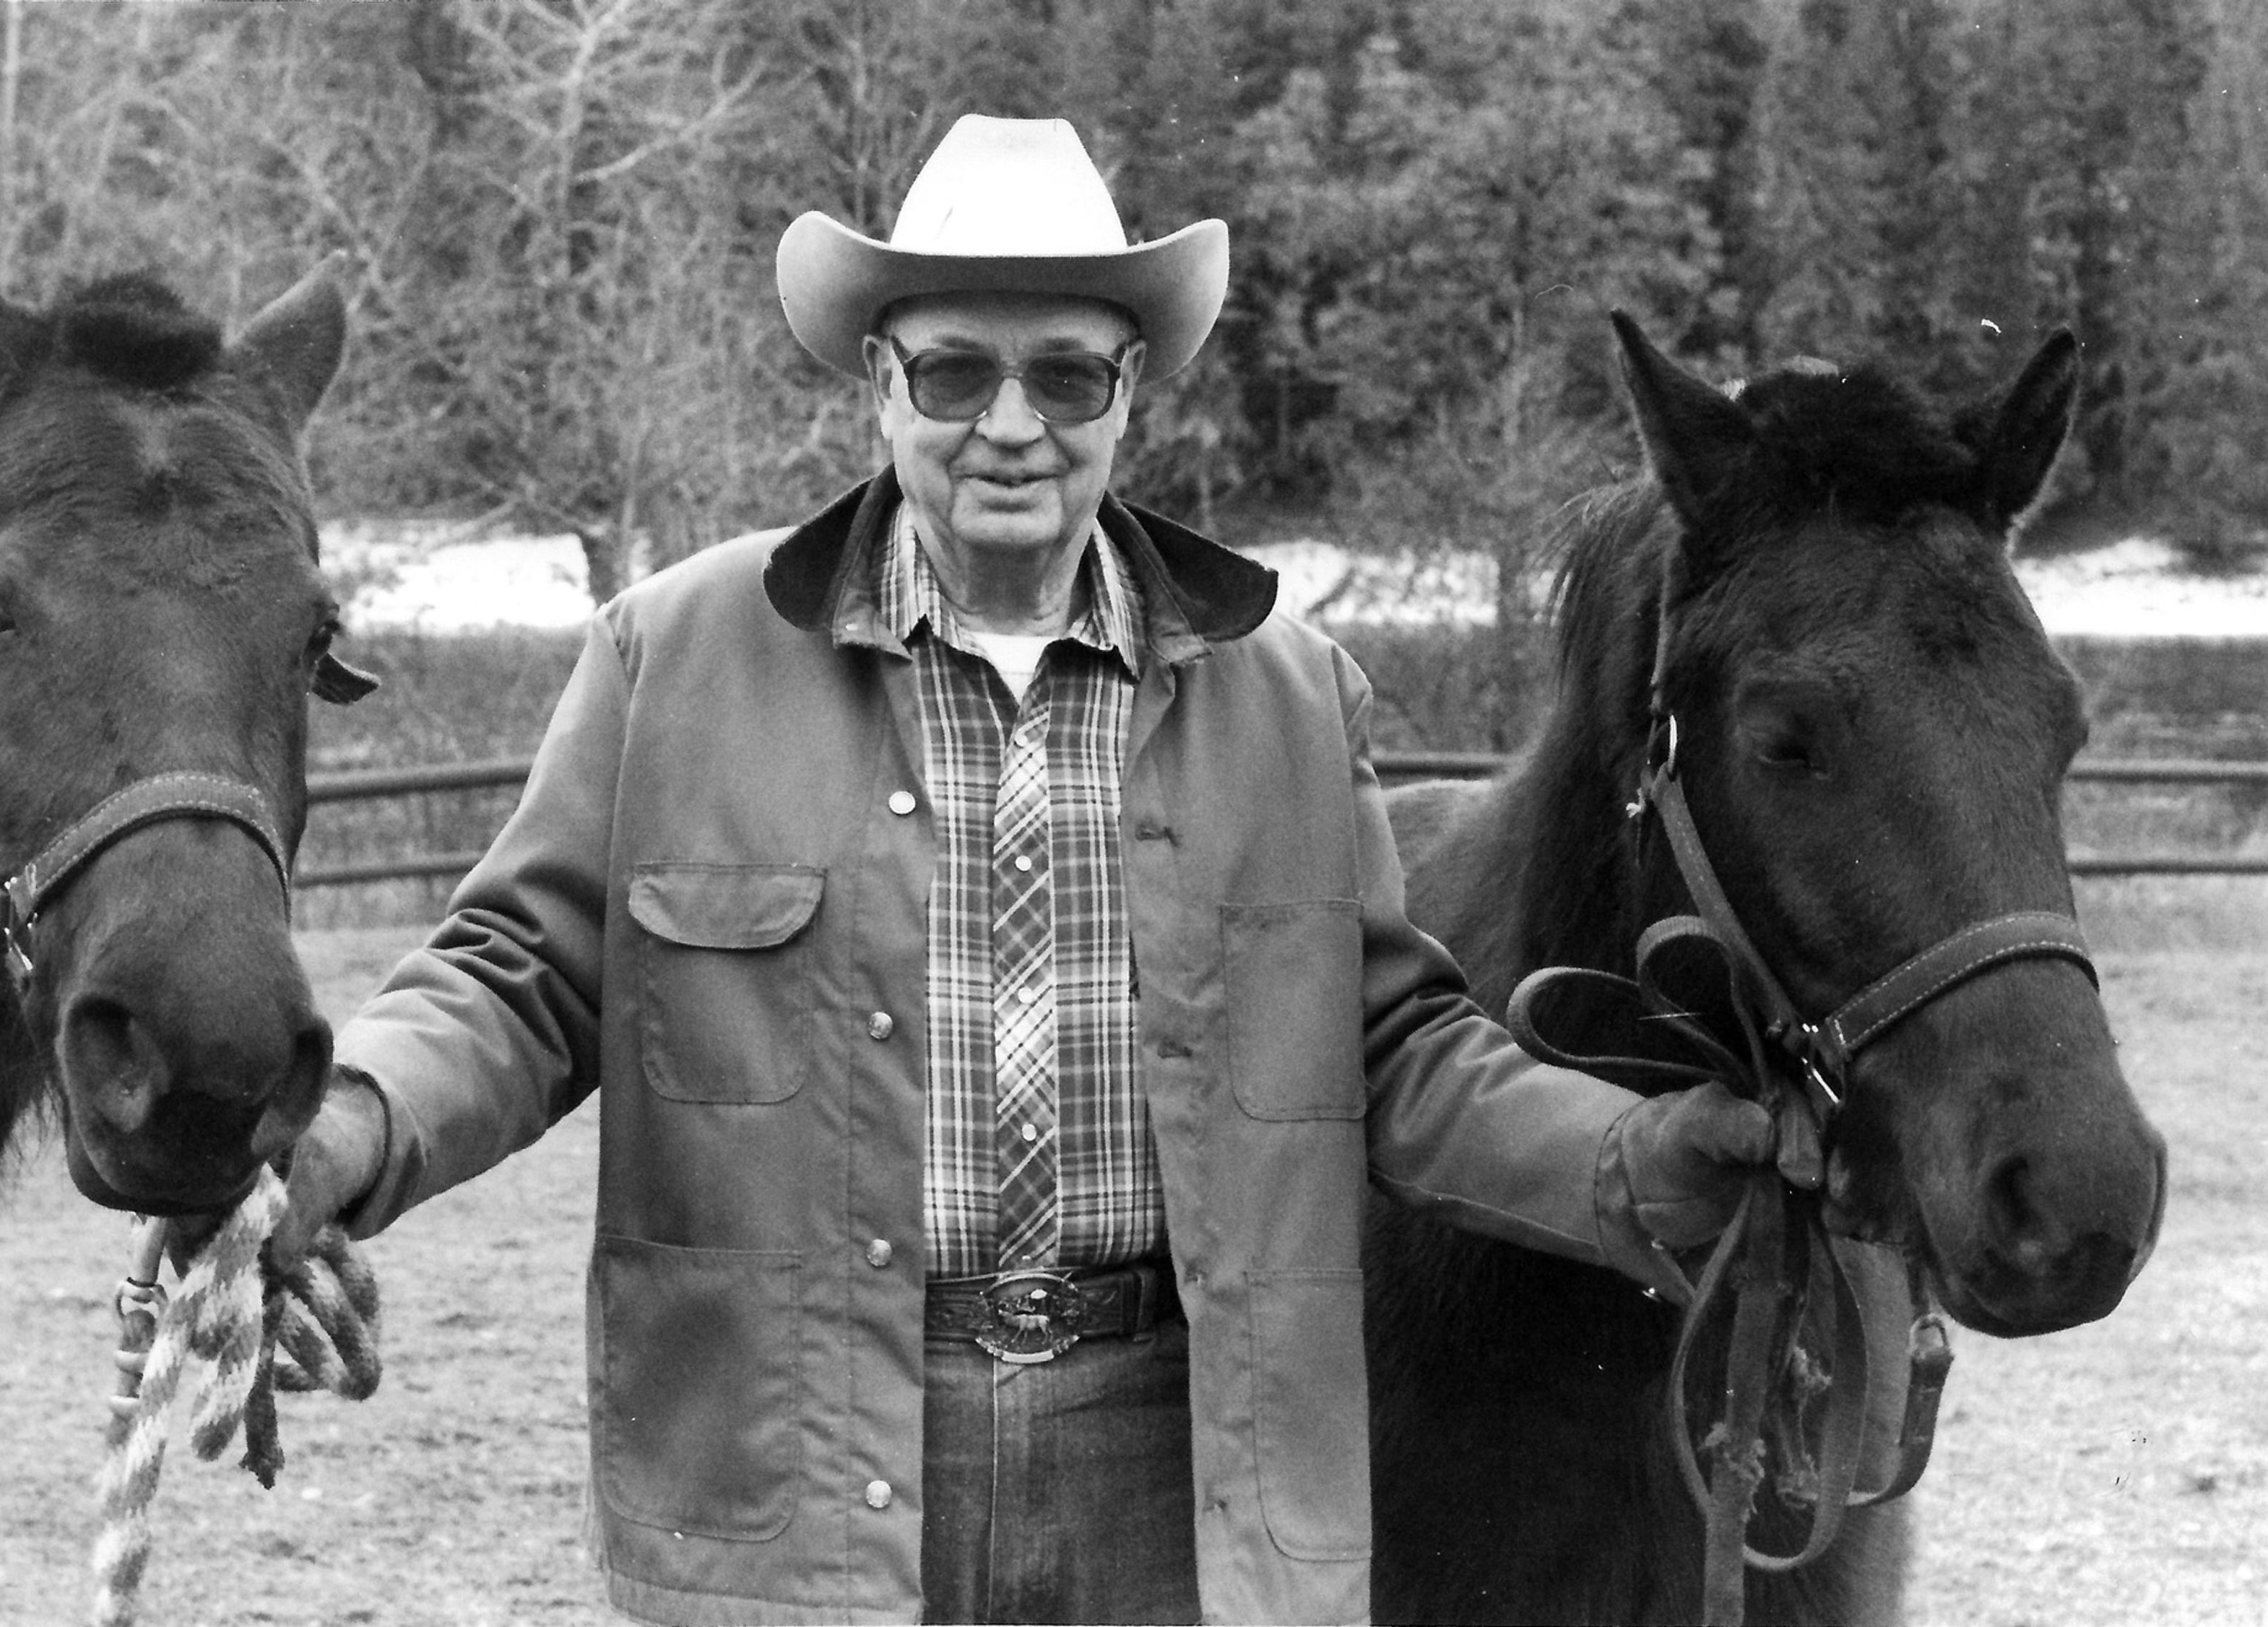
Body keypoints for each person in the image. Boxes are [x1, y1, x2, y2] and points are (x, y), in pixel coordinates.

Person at [273, 115, 1773, 1626]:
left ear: (1132, 397)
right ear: (878, 383)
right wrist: (345, 1127)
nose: (1011, 423)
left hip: (1171, 1462)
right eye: (953, 371)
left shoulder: (1292, 693)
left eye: (1065, 373)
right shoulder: (673, 658)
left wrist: (1637, 1159)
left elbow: (1398, 1053)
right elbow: (515, 980)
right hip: (806, 1455)